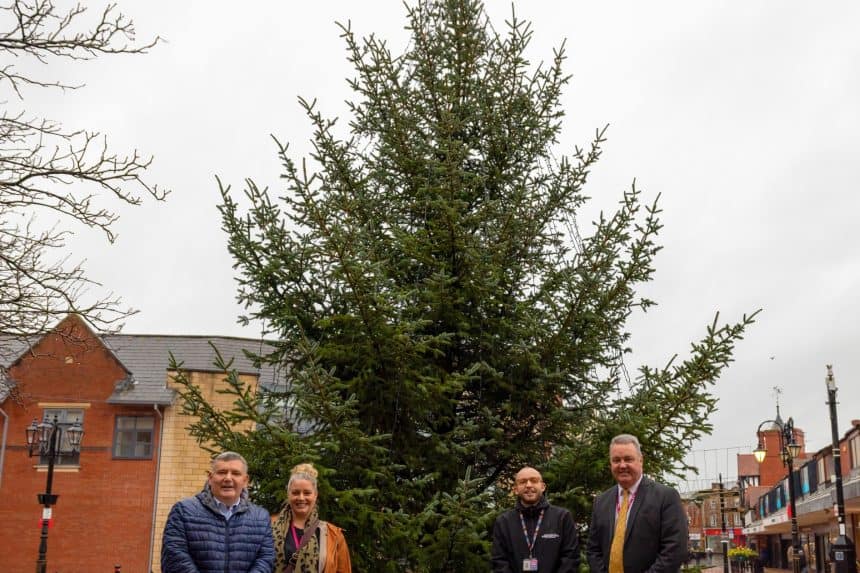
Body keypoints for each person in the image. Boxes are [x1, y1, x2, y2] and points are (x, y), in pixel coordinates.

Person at [587, 434, 688, 573]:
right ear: (610, 463)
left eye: (628, 459)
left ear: (641, 461)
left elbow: (675, 549)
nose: (622, 465)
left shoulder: (666, 497)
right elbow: (593, 549)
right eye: (616, 460)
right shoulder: (601, 501)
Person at [161, 451, 275, 573]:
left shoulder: (261, 517)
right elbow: (174, 558)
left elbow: (266, 560)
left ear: (245, 480)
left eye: (235, 473)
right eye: (222, 472)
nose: (228, 478)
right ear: (210, 478)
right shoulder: (183, 511)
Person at [491, 466, 580, 572]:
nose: (528, 485)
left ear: (543, 487)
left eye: (534, 481)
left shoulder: (562, 517)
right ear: (515, 489)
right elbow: (499, 561)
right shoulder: (503, 522)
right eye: (523, 482)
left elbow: (570, 558)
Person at [272, 463, 352, 573]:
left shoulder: (334, 535)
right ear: (288, 494)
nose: (301, 498)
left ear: (315, 495)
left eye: (307, 493)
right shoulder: (267, 526)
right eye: (295, 492)